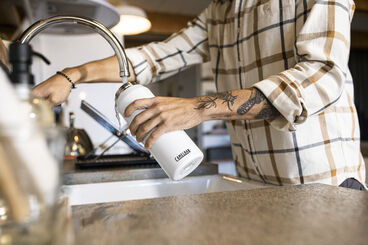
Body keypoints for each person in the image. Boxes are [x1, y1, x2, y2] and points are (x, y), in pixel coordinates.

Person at [33, 0, 366, 189]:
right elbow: (158, 56)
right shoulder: (221, 9)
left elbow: (322, 75)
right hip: (255, 184)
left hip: (325, 184)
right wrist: (72, 75)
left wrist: (198, 108)